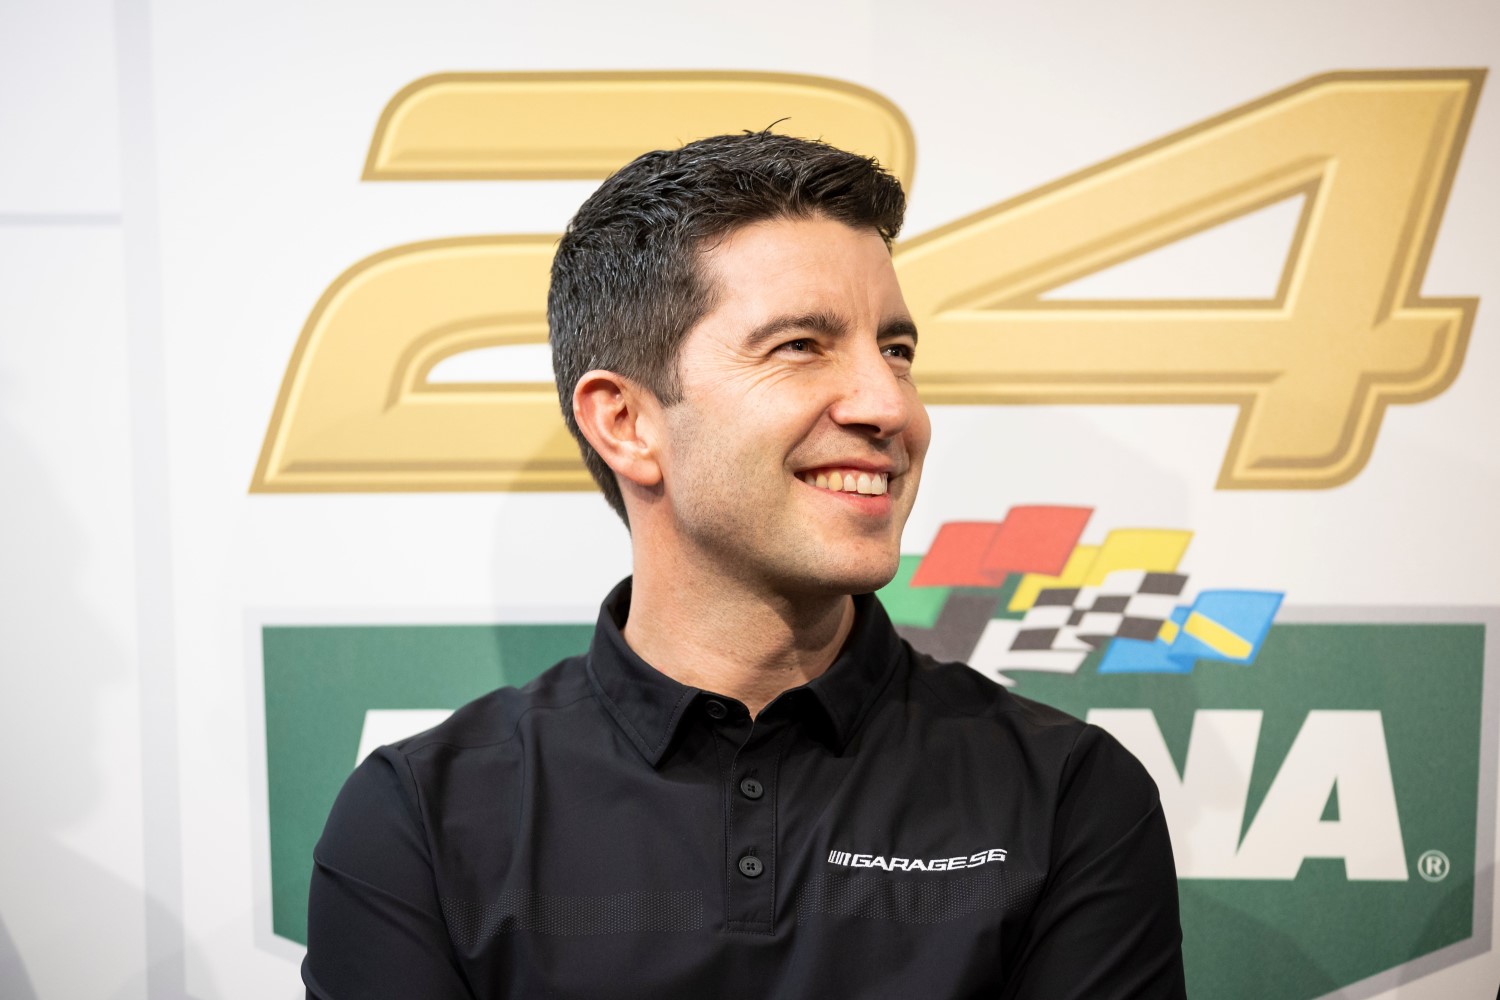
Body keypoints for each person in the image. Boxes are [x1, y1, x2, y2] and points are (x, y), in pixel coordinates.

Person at [302, 131, 1186, 999]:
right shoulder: (419, 820)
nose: (891, 406)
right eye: (800, 346)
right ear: (626, 423)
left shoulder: (1067, 794)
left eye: (898, 351)